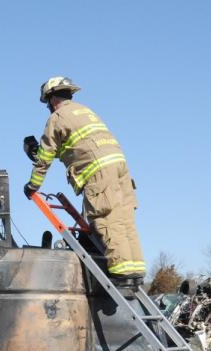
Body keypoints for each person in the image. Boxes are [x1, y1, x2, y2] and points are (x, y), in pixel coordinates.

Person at [23, 76, 146, 284]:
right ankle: (135, 270)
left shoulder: (57, 118)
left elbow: (45, 158)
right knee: (124, 219)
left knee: (107, 218)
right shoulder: (86, 111)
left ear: (52, 100)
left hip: (98, 173)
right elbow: (78, 145)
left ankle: (121, 272)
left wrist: (32, 185)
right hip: (120, 169)